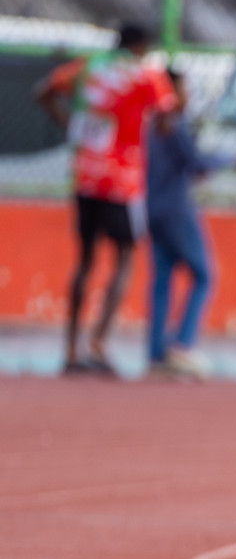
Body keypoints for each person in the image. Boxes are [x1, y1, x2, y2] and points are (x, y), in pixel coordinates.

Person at [36, 22, 177, 377]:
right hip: (123, 181)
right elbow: (166, 121)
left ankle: (70, 350)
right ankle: (98, 343)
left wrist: (71, 124)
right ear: (141, 46)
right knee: (125, 258)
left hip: (85, 176)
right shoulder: (146, 74)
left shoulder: (88, 66)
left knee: (84, 261)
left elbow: (44, 92)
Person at [145, 70, 225, 380]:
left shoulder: (149, 124)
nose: (188, 95)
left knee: (162, 280)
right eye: (184, 89)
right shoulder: (173, 125)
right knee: (204, 275)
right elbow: (196, 164)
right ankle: (183, 344)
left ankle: (155, 354)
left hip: (151, 210)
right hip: (177, 211)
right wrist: (227, 159)